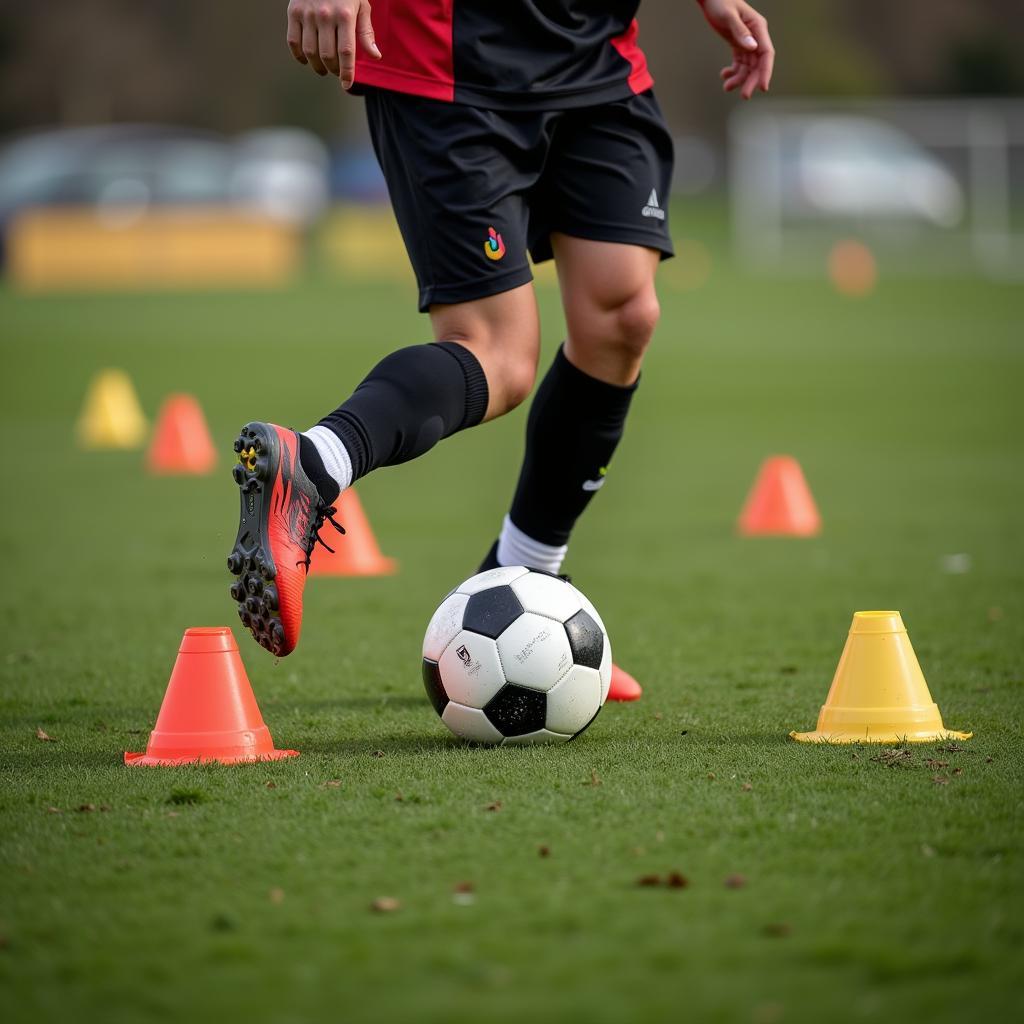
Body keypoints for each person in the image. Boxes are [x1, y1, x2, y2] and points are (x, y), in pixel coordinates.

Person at [228, 0, 775, 701]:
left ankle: (528, 586)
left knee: (623, 316)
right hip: (449, 59)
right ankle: (314, 464)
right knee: (497, 350)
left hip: (593, 56)